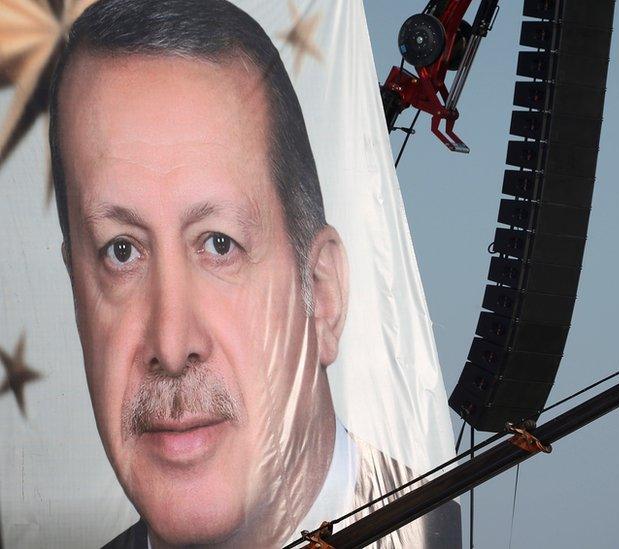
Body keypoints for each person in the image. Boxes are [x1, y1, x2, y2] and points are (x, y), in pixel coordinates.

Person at [47, 1, 458, 547]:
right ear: (76, 294)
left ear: (324, 296)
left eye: (220, 245)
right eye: (122, 252)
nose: (171, 345)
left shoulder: (432, 532)